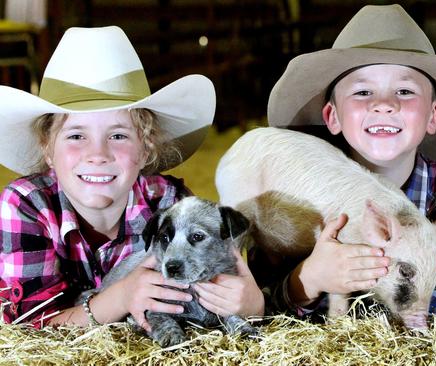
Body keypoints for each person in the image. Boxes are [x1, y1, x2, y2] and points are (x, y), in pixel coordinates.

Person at [0, 26, 264, 330]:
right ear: (48, 148)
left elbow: (214, 282)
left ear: (145, 146)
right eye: (76, 135)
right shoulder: (26, 205)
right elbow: (28, 328)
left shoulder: (170, 203)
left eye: (117, 135)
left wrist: (251, 304)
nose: (97, 154)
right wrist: (120, 298)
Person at [260, 4, 436, 317]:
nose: (384, 104)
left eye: (405, 90)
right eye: (363, 91)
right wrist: (309, 279)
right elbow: (258, 306)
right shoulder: (294, 199)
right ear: (332, 116)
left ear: (433, 115)